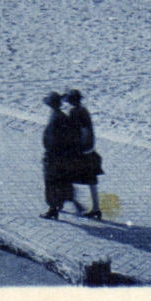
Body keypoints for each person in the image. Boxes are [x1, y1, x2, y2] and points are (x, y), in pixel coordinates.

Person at [64, 89, 104, 219]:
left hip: (81, 151)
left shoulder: (75, 113)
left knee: (66, 175)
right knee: (91, 180)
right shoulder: (84, 110)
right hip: (89, 150)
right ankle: (96, 208)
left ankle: (72, 203)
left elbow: (79, 132)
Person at [39, 92, 73, 219]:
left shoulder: (55, 118)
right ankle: (59, 204)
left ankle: (53, 209)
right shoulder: (63, 116)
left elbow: (52, 140)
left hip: (53, 156)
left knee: (51, 182)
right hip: (63, 156)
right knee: (59, 181)